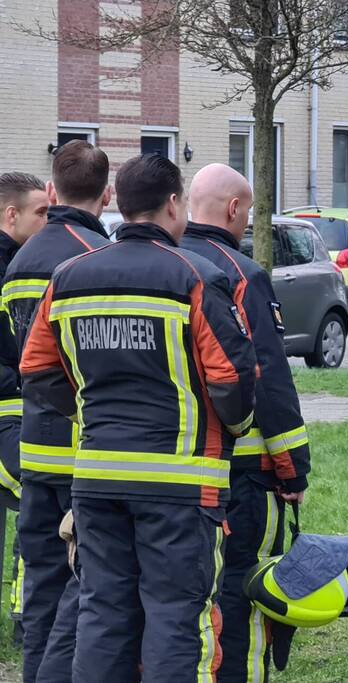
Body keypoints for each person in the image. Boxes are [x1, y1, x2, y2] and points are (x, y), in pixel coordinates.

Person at [20, 153, 257, 682]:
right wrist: (232, 428)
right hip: (180, 485)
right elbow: (232, 383)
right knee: (176, 619)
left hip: (97, 477)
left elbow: (35, 370)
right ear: (174, 205)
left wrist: (89, 411)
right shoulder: (197, 277)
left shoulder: (68, 277)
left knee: (102, 614)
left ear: (121, 205)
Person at [181, 163, 311, 681]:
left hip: (169, 470)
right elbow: (269, 382)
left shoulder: (161, 264)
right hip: (242, 474)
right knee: (243, 588)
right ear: (235, 209)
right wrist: (293, 471)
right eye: (250, 211)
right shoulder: (241, 274)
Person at [2, 142, 111, 683]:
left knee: (42, 578)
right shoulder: (94, 255)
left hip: (33, 444)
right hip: (82, 448)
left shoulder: (21, 258)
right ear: (107, 194)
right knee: (86, 581)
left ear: (51, 192)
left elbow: (19, 360)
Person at [0, 172, 49, 645]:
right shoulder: (11, 269)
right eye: (41, 212)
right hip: (9, 411)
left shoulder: (19, 261)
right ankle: (24, 617)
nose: (48, 221)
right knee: (37, 496)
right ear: (11, 214)